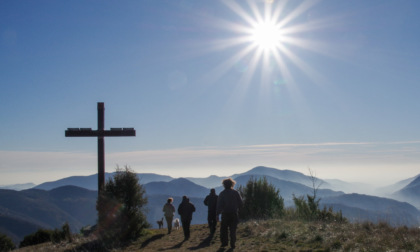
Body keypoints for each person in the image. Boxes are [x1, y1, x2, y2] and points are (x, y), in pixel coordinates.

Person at [216, 178, 243, 249]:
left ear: (224, 185)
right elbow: (240, 203)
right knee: (233, 230)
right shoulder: (235, 193)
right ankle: (232, 244)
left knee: (224, 230)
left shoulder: (222, 194)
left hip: (225, 214)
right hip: (234, 214)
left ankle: (224, 243)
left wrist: (217, 214)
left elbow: (219, 205)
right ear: (232, 184)